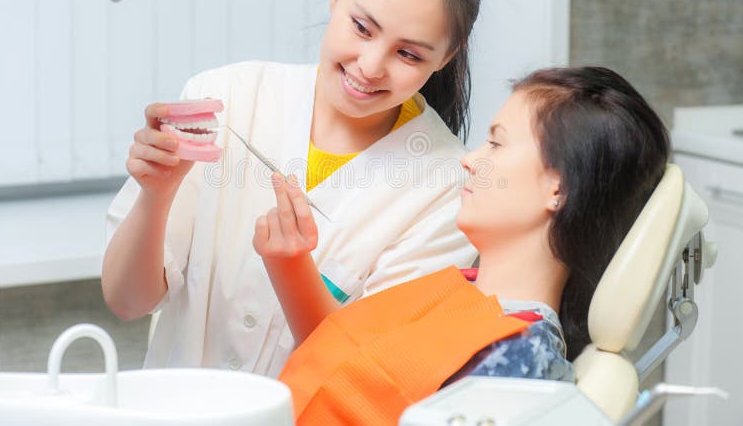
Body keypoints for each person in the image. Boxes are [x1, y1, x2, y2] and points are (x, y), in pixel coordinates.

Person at [102, 0, 483, 376]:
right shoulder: (226, 96)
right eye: (362, 28)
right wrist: (156, 196)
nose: (370, 66)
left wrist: (292, 268)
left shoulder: (446, 188)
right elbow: (126, 301)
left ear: (447, 55)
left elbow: (368, 371)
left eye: (409, 55)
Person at [257, 66, 671, 425]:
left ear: (558, 188)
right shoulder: (454, 288)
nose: (469, 159)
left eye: (496, 142)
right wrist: (289, 262)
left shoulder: (519, 361)